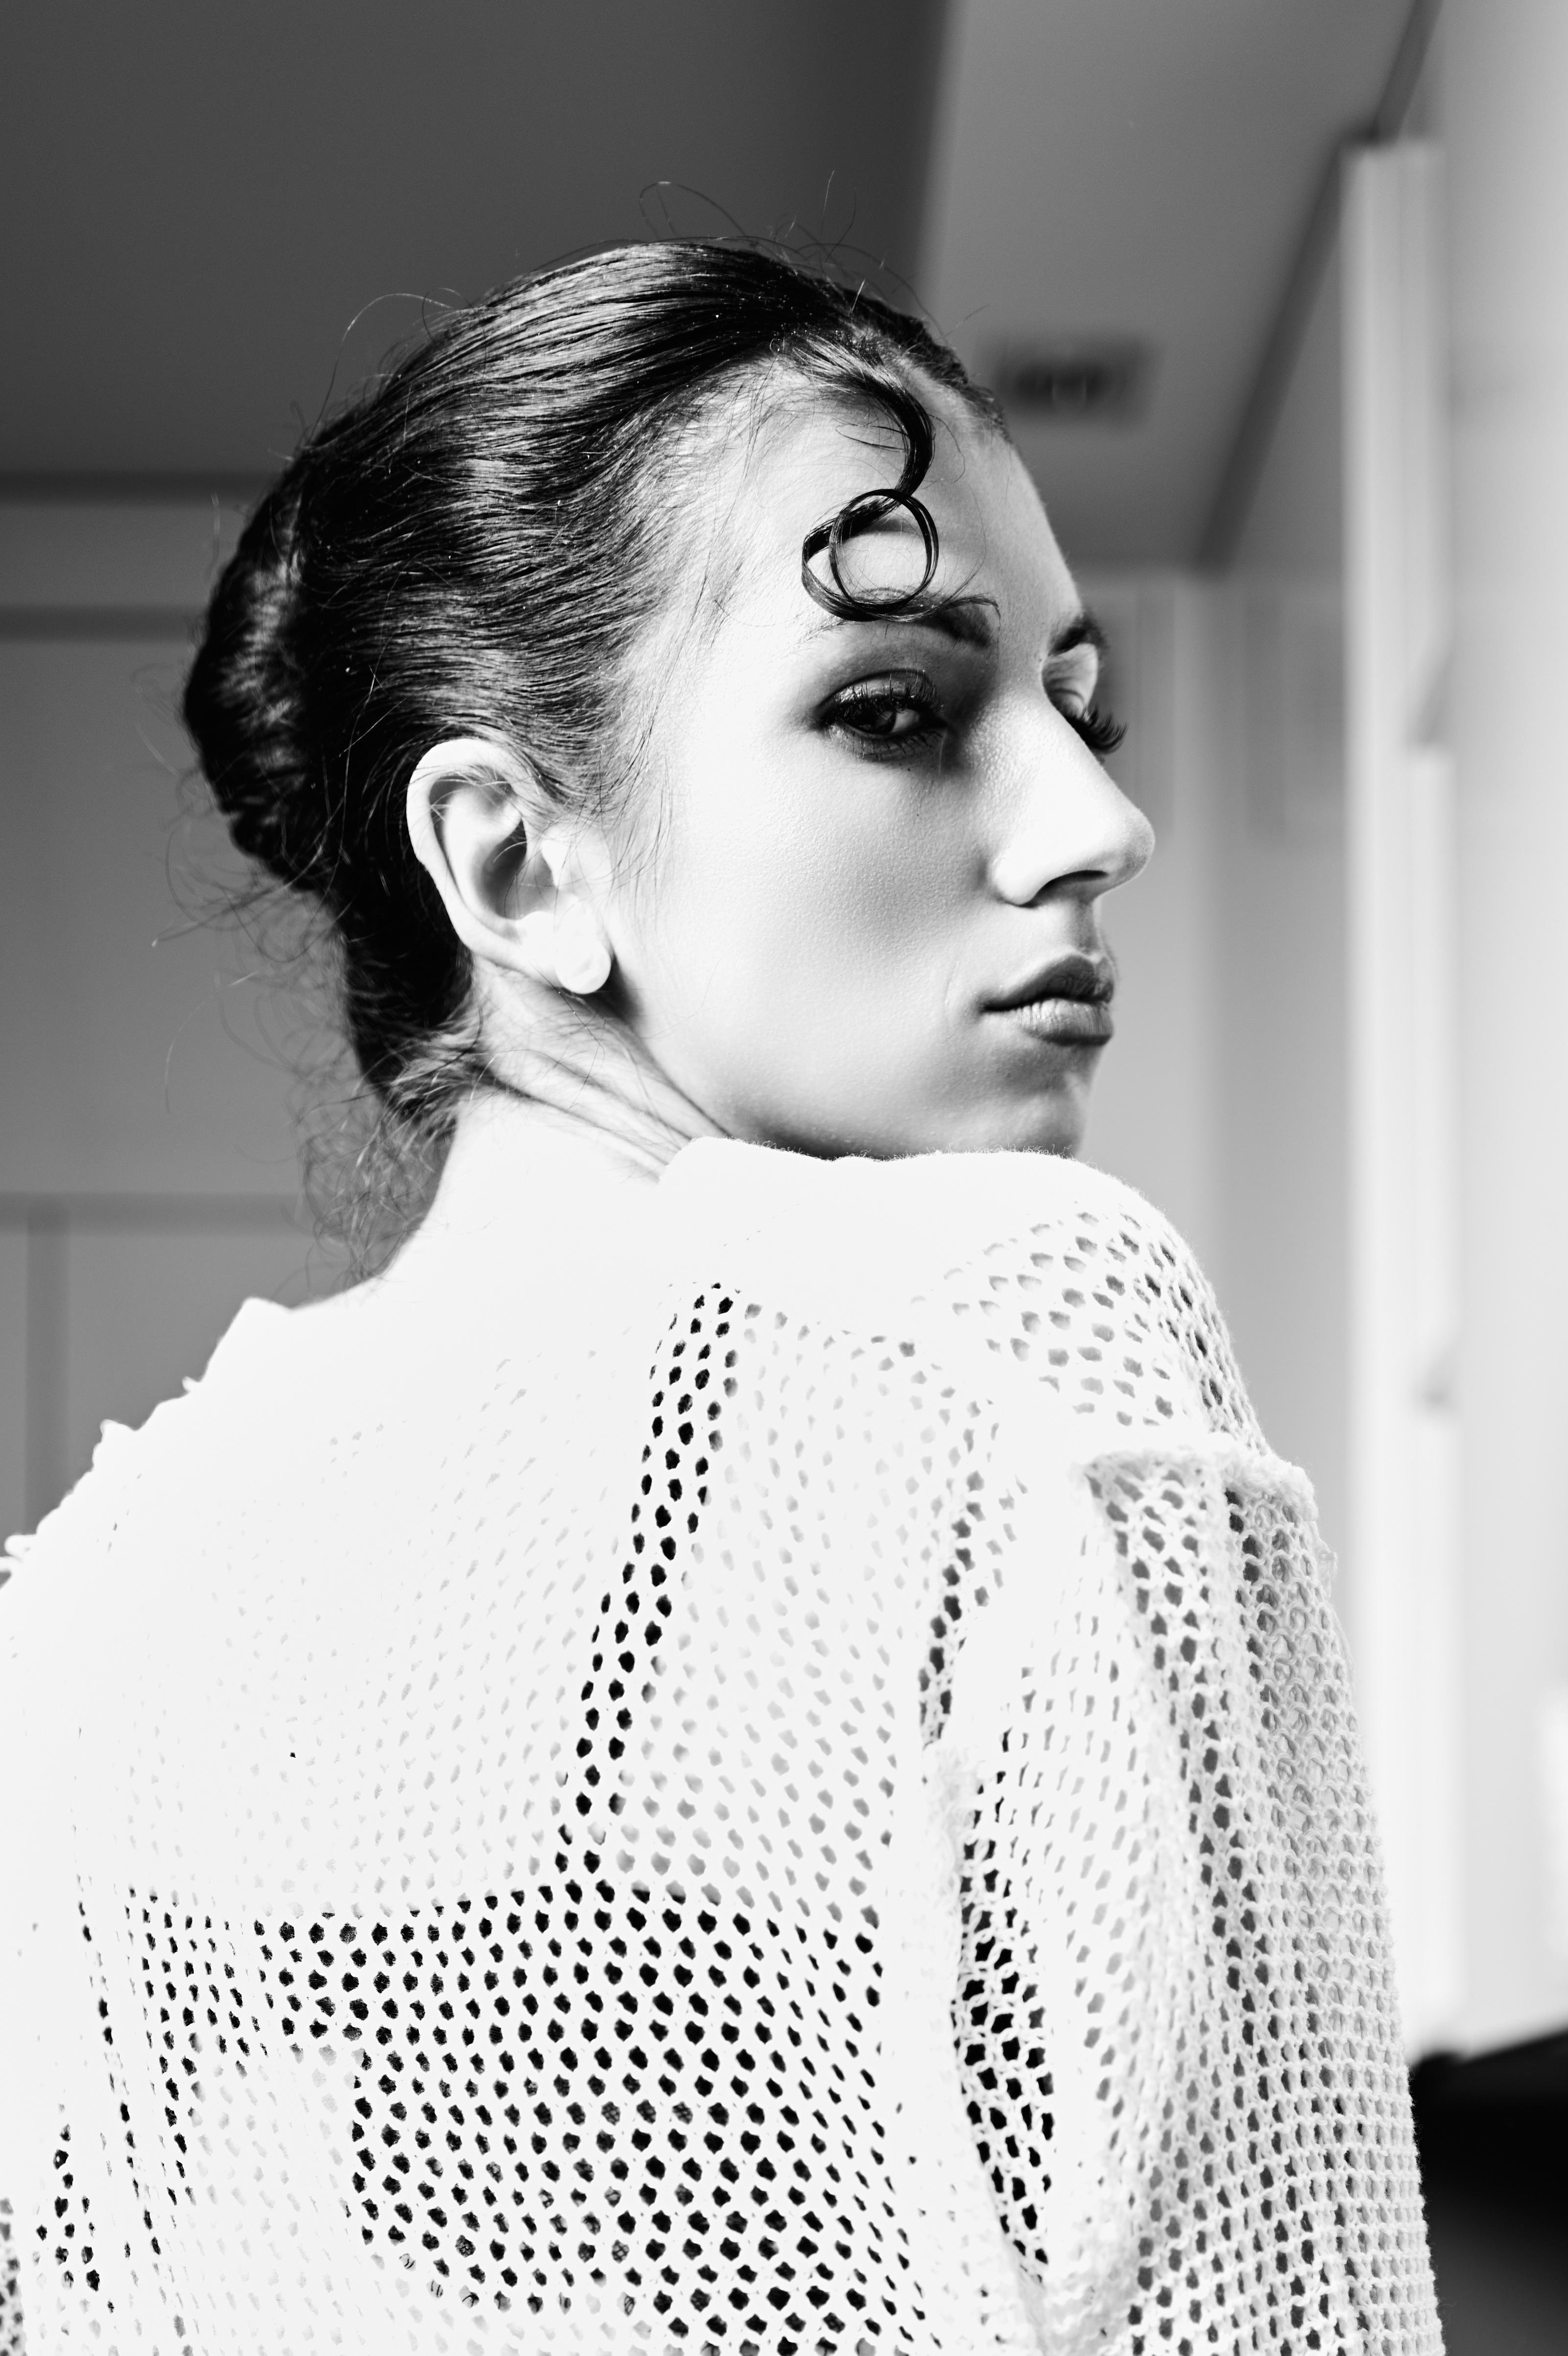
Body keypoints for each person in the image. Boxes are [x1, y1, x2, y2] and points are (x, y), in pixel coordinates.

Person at [0, 241, 1441, 2355]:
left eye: (1075, 704)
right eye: (898, 710)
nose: (1103, 821)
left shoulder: (77, 1622)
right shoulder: (1012, 1335)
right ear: (513, 865)